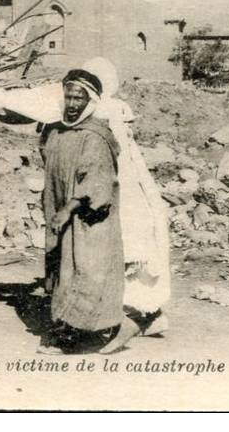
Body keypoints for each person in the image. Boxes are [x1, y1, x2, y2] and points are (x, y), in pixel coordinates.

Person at [38, 65, 139, 354]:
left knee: (87, 274)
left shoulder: (95, 136)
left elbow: (96, 183)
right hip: (60, 217)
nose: (71, 104)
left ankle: (74, 338)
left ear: (90, 102)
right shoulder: (56, 131)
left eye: (78, 99)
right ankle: (115, 326)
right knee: (63, 274)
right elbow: (49, 161)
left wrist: (67, 208)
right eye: (68, 97)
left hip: (89, 220)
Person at [83, 57, 171, 336]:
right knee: (137, 250)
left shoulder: (100, 111)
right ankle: (149, 314)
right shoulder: (116, 110)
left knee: (118, 248)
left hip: (119, 186)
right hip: (133, 184)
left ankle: (122, 316)